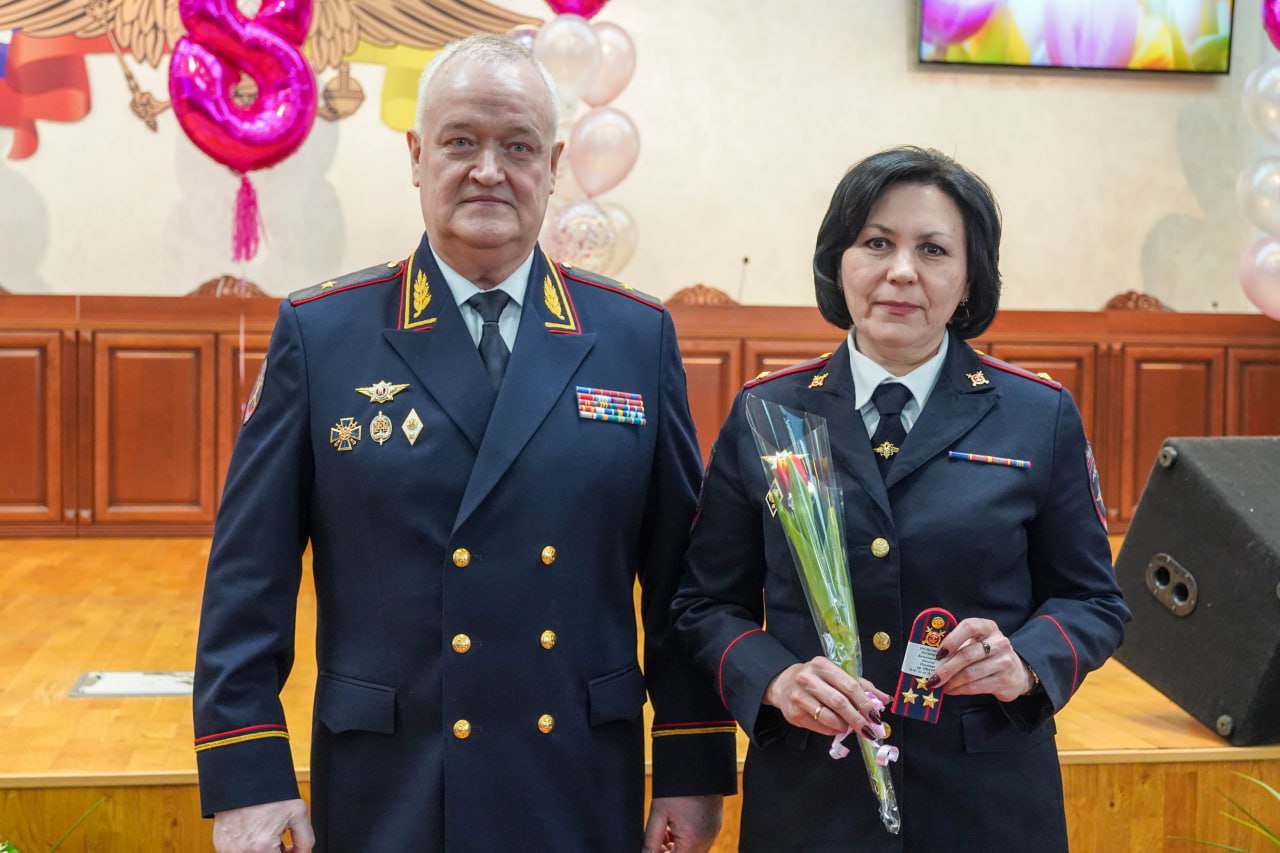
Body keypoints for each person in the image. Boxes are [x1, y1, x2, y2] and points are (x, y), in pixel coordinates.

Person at [192, 34, 736, 853]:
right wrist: (249, 780)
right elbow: (248, 581)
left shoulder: (634, 335)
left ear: (553, 166)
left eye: (517, 146)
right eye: (460, 142)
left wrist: (692, 768)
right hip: (392, 781)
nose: (489, 169)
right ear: (417, 157)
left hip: (575, 773)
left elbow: (678, 586)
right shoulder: (324, 332)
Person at [672, 146, 1130, 852]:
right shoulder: (768, 412)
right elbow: (704, 604)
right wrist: (776, 678)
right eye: (877, 242)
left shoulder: (1037, 415)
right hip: (811, 800)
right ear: (839, 260)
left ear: (970, 278)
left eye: (934, 249)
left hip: (985, 799)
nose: (902, 271)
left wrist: (1025, 661)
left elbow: (1092, 599)